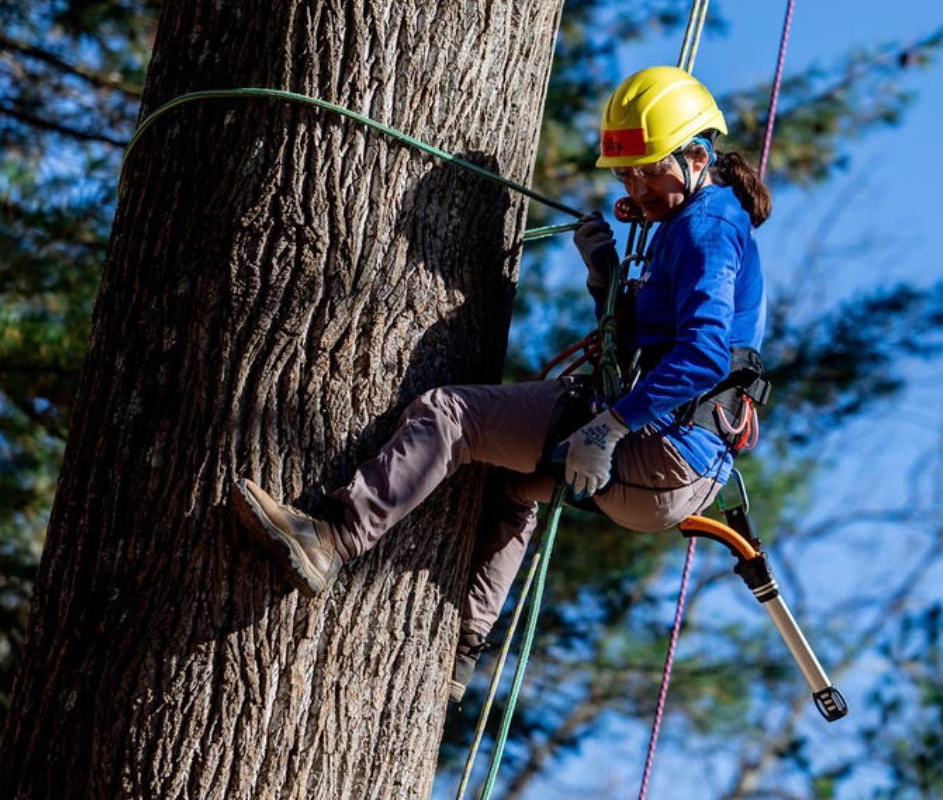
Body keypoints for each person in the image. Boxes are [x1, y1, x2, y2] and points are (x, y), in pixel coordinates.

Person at [233, 65, 772, 705]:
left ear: (696, 155)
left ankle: (331, 539)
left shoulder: (705, 226)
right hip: (675, 469)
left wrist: (608, 427)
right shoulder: (691, 223)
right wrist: (605, 277)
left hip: (658, 452)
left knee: (450, 415)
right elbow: (648, 341)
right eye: (626, 173)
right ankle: (461, 649)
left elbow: (706, 354)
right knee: (512, 485)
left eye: (647, 169)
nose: (636, 185)